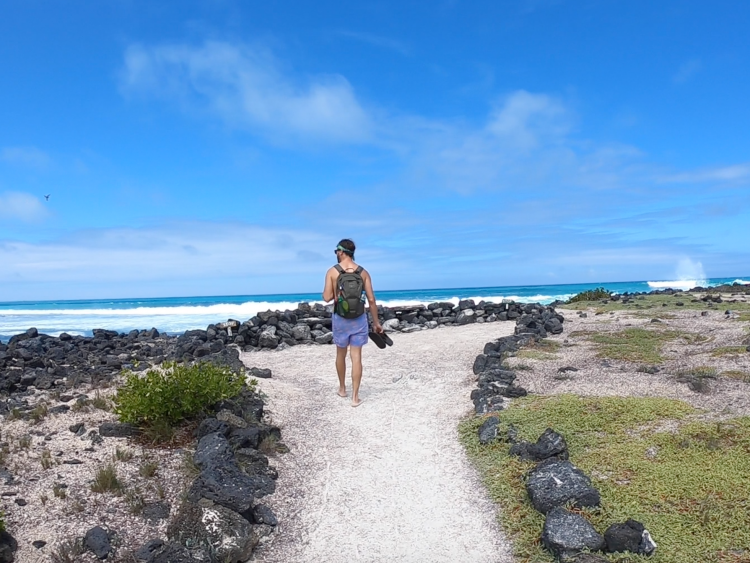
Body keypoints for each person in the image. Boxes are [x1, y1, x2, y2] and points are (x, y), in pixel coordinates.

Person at [322, 239, 383, 407]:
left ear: (341, 252)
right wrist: (376, 323)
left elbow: (327, 298)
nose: (336, 254)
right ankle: (355, 398)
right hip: (359, 319)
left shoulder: (332, 272)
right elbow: (371, 300)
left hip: (340, 319)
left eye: (336, 251)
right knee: (356, 357)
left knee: (340, 354)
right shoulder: (363, 272)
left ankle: (342, 388)